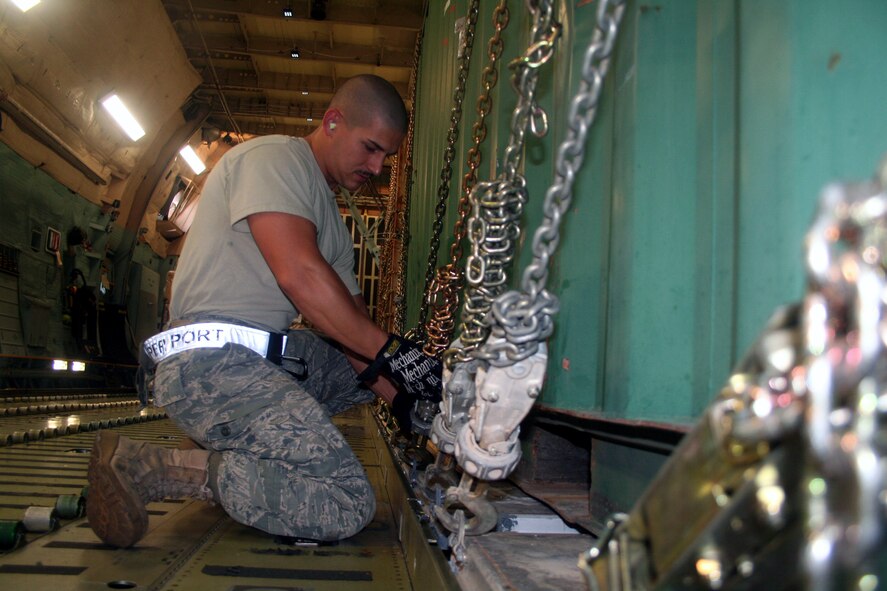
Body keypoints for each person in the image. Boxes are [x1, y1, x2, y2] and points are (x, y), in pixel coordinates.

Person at [86, 74, 443, 548]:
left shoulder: (331, 223)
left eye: (386, 157)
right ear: (333, 122)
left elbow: (355, 333)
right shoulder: (274, 159)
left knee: (360, 367)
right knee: (345, 501)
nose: (377, 167)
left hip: (257, 360)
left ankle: (230, 440)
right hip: (206, 366)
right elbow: (299, 275)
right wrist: (398, 354)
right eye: (371, 148)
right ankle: (156, 467)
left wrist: (405, 400)